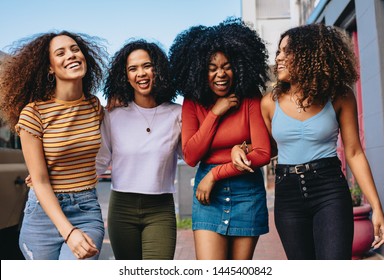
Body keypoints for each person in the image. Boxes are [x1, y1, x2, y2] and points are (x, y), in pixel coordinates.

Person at [233, 23, 384, 259]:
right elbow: (267, 149)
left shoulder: (340, 95)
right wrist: (240, 148)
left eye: (287, 51)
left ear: (309, 54)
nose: (279, 58)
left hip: (329, 190)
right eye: (279, 52)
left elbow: (354, 153)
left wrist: (376, 208)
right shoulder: (268, 103)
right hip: (288, 195)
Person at [169, 17, 271, 260]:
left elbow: (263, 153)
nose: (220, 74)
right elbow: (192, 156)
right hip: (208, 199)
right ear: (199, 72)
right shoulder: (193, 103)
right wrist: (215, 112)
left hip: (247, 193)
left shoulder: (249, 98)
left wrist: (215, 174)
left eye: (226, 66)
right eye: (212, 69)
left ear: (238, 65)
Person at [0, 31, 108, 260]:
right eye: (60, 53)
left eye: (75, 49)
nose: (71, 55)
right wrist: (68, 232)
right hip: (42, 214)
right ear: (50, 67)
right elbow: (39, 180)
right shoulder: (33, 113)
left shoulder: (94, 107)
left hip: (85, 209)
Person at [96, 39, 181, 260]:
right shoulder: (113, 115)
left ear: (158, 69)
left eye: (147, 65)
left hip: (160, 208)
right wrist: (56, 175)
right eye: (132, 68)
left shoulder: (177, 114)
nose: (140, 73)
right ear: (125, 76)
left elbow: (193, 155)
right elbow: (99, 162)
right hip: (121, 208)